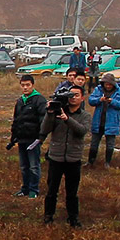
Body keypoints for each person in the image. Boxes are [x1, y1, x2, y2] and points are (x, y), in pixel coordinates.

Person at [40, 84, 91, 227]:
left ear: (82, 98)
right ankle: (48, 216)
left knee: (72, 192)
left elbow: (81, 131)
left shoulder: (85, 115)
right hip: (56, 156)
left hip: (73, 158)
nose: (73, 98)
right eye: (71, 95)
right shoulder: (57, 111)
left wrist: (66, 118)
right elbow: (45, 129)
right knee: (51, 190)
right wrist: (50, 113)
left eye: (76, 95)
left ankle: (73, 218)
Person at [9, 75, 47, 198]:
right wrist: (13, 136)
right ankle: (24, 188)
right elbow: (16, 120)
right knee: (24, 166)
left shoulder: (39, 100)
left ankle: (34, 190)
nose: (25, 88)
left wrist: (40, 137)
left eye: (27, 85)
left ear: (32, 85)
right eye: (23, 85)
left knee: (34, 166)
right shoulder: (20, 101)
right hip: (22, 138)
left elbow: (43, 119)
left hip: (33, 139)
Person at [87, 72, 120, 168]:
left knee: (110, 144)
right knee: (94, 143)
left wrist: (112, 101)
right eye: (106, 84)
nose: (108, 86)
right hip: (98, 121)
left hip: (112, 122)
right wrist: (99, 100)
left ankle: (107, 163)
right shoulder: (98, 90)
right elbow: (90, 100)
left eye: (110, 84)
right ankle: (90, 161)